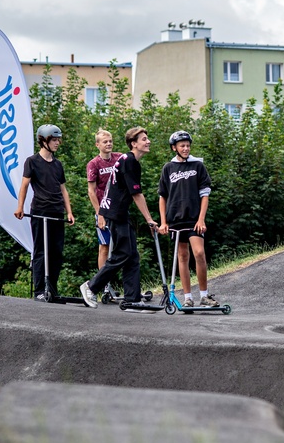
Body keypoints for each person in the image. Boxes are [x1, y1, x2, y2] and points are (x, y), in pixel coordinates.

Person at [80, 127, 158, 312]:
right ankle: (91, 287)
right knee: (122, 253)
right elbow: (136, 194)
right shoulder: (129, 162)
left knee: (132, 255)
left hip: (119, 212)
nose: (148, 142)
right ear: (134, 143)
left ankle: (131, 300)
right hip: (114, 213)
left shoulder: (126, 159)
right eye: (144, 139)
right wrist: (149, 219)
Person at [157, 130, 219, 307]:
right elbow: (162, 196)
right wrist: (163, 222)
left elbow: (205, 195)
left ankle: (204, 295)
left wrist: (201, 219)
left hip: (194, 218)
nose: (185, 148)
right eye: (182, 146)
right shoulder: (168, 168)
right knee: (182, 256)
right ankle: (187, 297)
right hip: (175, 219)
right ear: (174, 148)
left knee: (199, 253)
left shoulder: (197, 166)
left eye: (188, 145)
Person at [14, 124, 76, 300]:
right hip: (40, 211)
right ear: (43, 141)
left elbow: (63, 190)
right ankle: (40, 290)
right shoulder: (32, 161)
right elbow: (24, 185)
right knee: (41, 251)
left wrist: (69, 212)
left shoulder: (57, 164)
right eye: (54, 140)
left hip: (57, 212)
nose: (57, 143)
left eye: (58, 140)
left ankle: (52, 291)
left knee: (56, 253)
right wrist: (20, 207)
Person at [86, 129, 121, 272]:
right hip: (103, 210)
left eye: (110, 141)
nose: (108, 144)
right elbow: (91, 191)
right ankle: (102, 280)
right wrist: (99, 213)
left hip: (118, 208)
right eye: (105, 142)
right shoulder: (94, 164)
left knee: (121, 246)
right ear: (97, 145)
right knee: (104, 246)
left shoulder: (119, 158)